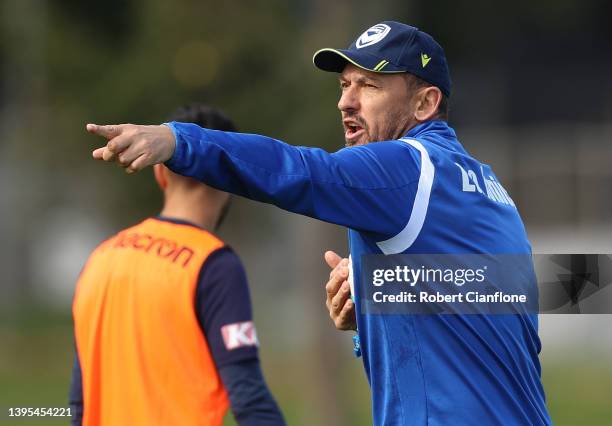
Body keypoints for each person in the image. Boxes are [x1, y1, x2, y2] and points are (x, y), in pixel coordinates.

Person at [85, 22, 552, 425]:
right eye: (344, 85)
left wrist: (179, 141)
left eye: (369, 86)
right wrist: (383, 291)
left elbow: (301, 171)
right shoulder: (486, 185)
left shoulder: (406, 167)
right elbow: (510, 302)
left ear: (425, 104)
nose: (346, 102)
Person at [70, 104, 285, 426]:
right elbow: (249, 399)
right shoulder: (213, 265)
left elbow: (80, 401)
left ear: (158, 171)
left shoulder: (102, 256)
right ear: (234, 176)